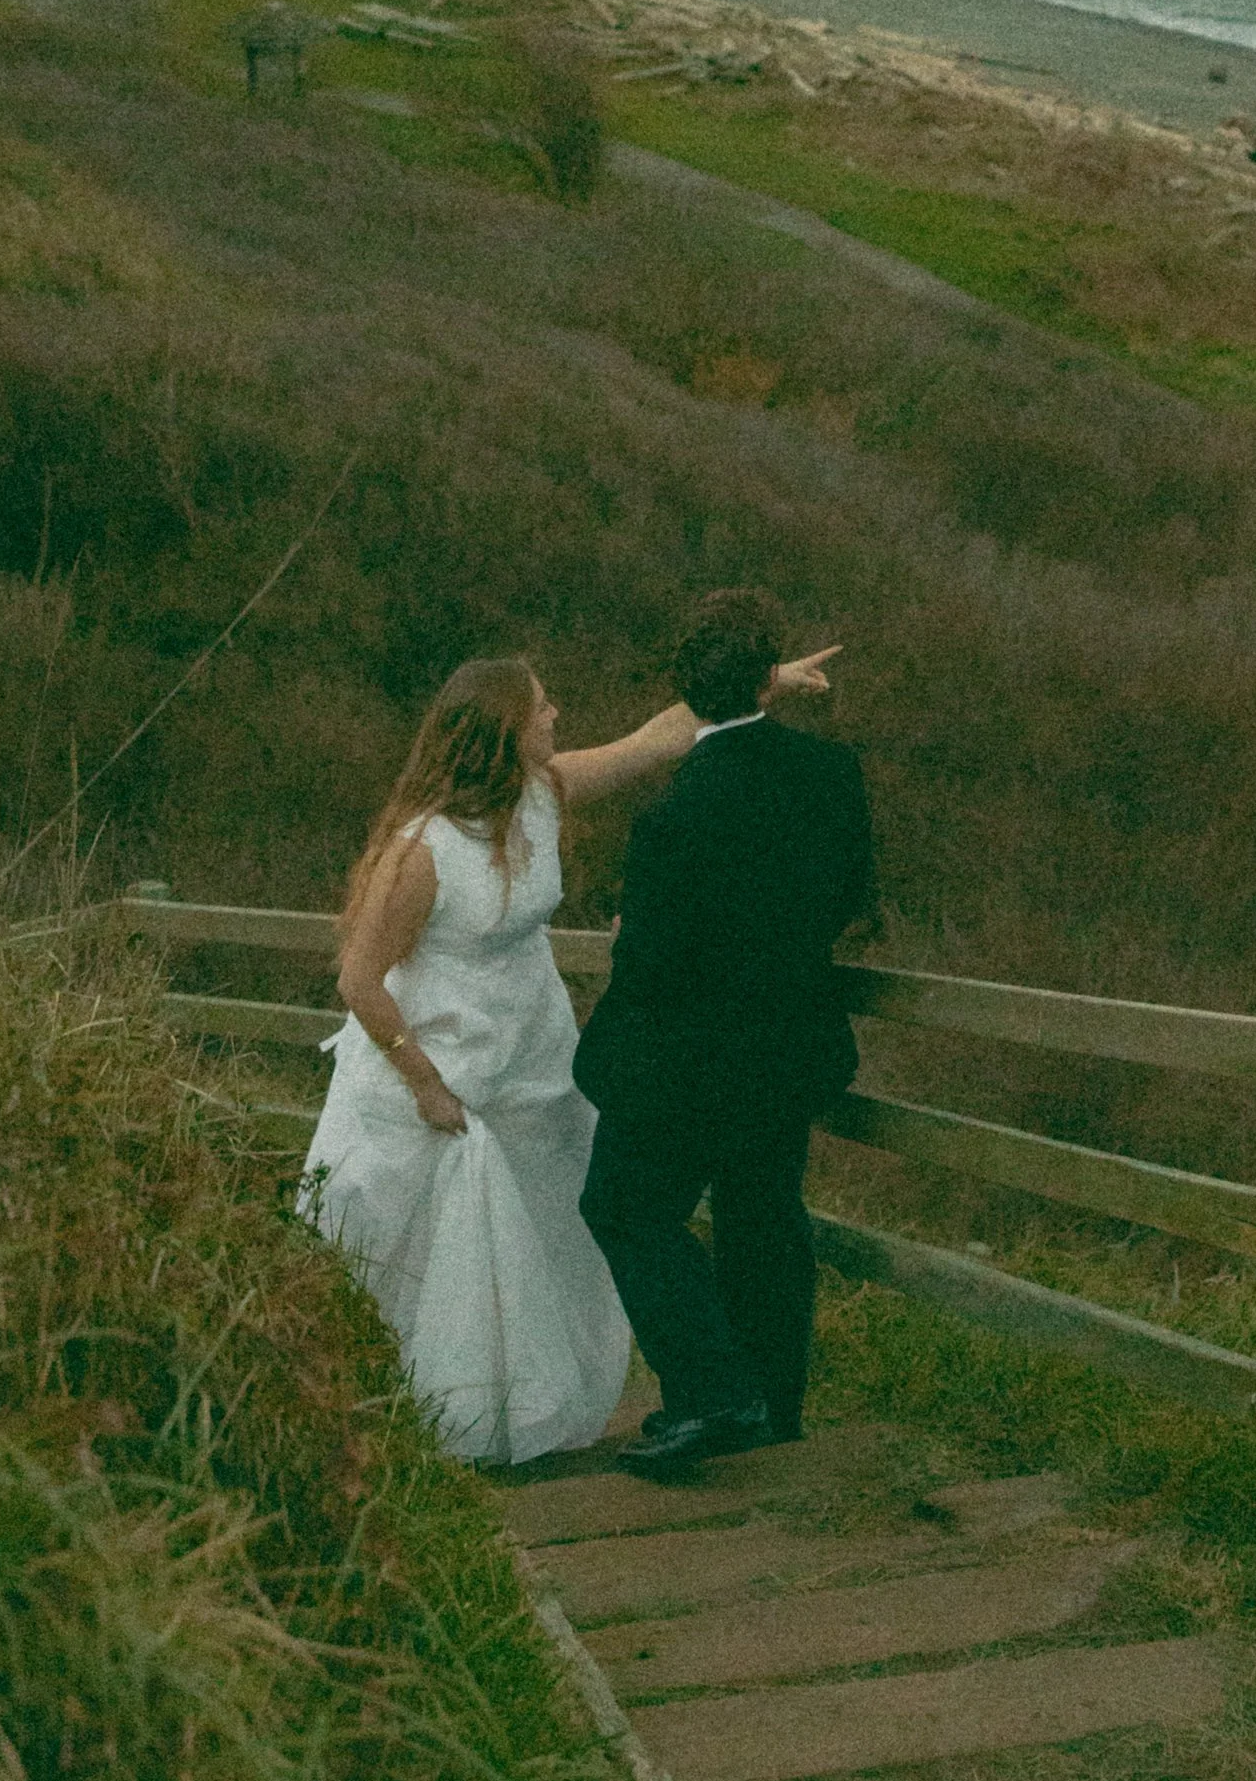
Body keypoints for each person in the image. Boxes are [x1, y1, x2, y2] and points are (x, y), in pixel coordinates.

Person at [298, 637, 830, 1467]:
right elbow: (360, 980)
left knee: (541, 1231)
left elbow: (652, 742)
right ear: (504, 730)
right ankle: (402, 1408)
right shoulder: (422, 850)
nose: (556, 713)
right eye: (541, 705)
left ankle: (526, 1406)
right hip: (437, 1062)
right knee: (427, 1241)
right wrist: (426, 1084)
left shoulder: (539, 796)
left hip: (532, 1057)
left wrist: (758, 687)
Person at [576, 586, 876, 1479]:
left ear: (683, 691)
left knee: (625, 1208)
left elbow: (650, 965)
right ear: (767, 679)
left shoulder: (672, 816)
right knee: (763, 1214)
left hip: (684, 1066)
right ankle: (775, 1402)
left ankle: (710, 1392)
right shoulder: (833, 775)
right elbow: (848, 900)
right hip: (788, 1049)